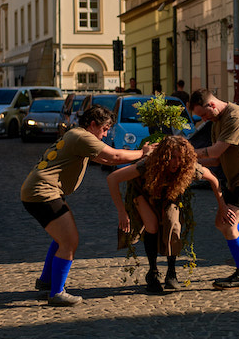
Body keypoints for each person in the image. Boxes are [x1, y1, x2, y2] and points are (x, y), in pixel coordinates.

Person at [20, 105, 156, 306]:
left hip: (38, 191)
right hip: (43, 192)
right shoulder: (82, 137)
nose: (106, 133)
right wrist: (143, 153)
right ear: (93, 124)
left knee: (62, 238)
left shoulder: (77, 135)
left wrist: (138, 157)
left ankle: (47, 282)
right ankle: (56, 293)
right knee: (69, 241)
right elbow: (115, 156)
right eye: (104, 129)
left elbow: (104, 160)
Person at [107, 135, 233, 293]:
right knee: (152, 226)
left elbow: (214, 180)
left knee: (173, 224)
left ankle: (171, 273)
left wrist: (222, 206)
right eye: (171, 157)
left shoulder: (188, 167)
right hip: (142, 193)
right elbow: (112, 178)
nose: (175, 162)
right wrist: (121, 212)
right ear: (163, 157)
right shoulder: (147, 164)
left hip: (169, 195)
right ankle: (153, 273)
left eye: (179, 158)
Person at [189, 88, 239, 290]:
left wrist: (187, 152)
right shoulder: (217, 121)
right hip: (234, 178)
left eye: (204, 114)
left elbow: (216, 150)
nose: (204, 119)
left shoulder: (235, 117)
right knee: (221, 221)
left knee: (228, 225)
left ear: (212, 104)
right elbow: (216, 158)